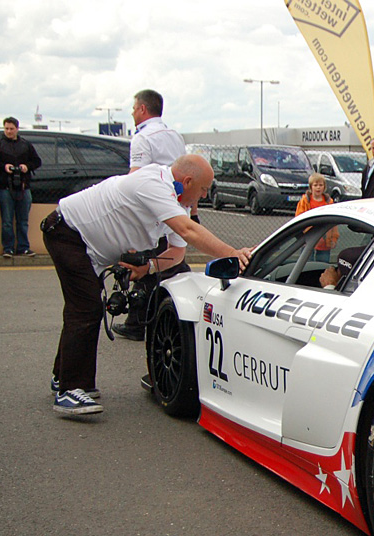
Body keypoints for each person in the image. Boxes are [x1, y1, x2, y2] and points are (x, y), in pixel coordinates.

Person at [43, 155, 252, 417]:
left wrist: (148, 268)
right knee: (85, 308)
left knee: (83, 307)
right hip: (67, 233)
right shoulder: (153, 183)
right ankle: (69, 390)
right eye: (202, 190)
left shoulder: (177, 203)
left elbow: (177, 251)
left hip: (89, 248)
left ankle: (61, 376)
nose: (203, 197)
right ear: (187, 181)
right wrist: (233, 253)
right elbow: (188, 231)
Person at [112, 89, 191, 342]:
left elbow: (136, 177)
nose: (133, 112)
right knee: (169, 258)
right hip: (177, 204)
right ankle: (158, 314)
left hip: (152, 209)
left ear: (143, 109)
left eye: (134, 108)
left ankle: (137, 322)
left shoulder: (142, 138)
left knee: (145, 263)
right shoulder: (175, 136)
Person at [0, 117, 42, 257]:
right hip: (4, 186)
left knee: (23, 220)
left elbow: (37, 161)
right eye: (6, 129)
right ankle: (8, 248)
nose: (9, 131)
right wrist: (4, 167)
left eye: (11, 129)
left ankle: (23, 247)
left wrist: (26, 167)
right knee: (7, 221)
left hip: (23, 186)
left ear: (17, 129)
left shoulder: (26, 145)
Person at [297, 173, 337, 262]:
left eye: (320, 185)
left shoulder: (329, 202)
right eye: (315, 185)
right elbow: (299, 219)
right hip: (308, 239)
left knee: (322, 264)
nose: (318, 187)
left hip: (324, 240)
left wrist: (333, 238)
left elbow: (333, 223)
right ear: (311, 187)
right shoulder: (305, 201)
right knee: (306, 263)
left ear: (324, 187)